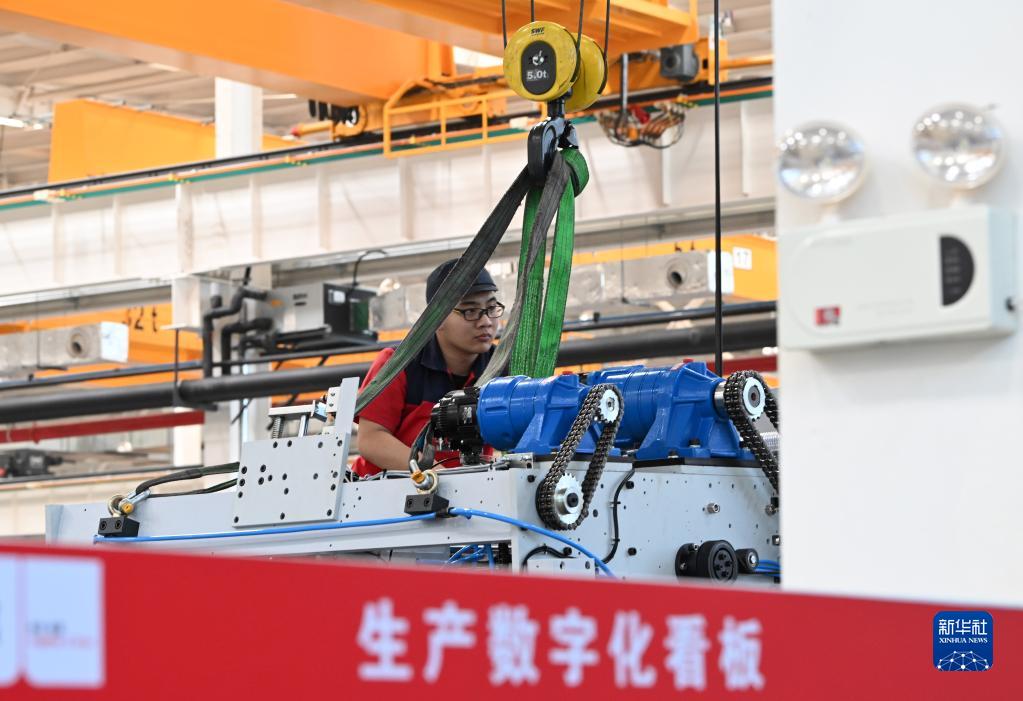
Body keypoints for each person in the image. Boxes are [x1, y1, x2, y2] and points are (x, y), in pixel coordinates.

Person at [352, 259, 505, 476]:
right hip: (380, 490)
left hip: (465, 490)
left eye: (491, 308)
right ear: (436, 318)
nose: (486, 321)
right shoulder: (399, 365)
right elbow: (371, 439)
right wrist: (432, 472)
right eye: (470, 311)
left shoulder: (500, 369)